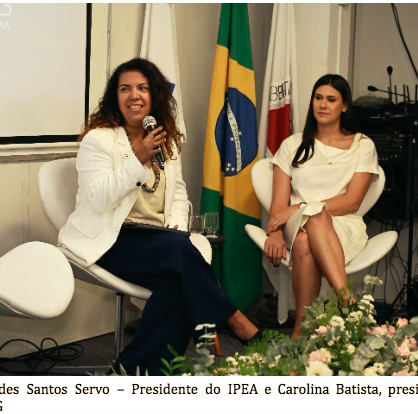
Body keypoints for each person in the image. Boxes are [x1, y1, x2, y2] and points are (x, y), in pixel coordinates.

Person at [58, 58, 259, 375]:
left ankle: (130, 373)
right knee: (180, 253)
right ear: (115, 97)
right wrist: (138, 159)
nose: (134, 95)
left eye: (142, 88)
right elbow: (99, 199)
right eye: (125, 89)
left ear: (154, 96)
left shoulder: (165, 140)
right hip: (111, 239)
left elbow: (178, 193)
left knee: (175, 284)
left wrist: (175, 226)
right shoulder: (99, 140)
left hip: (160, 242)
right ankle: (232, 318)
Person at [264, 74, 379, 338]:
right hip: (295, 223)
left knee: (306, 238)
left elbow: (352, 201)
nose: (323, 105)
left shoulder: (362, 146)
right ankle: (348, 301)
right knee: (312, 219)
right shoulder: (292, 144)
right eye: (318, 98)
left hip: (342, 222)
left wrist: (300, 207)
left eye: (331, 99)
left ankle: (301, 330)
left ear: (344, 106)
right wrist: (275, 232)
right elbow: (279, 203)